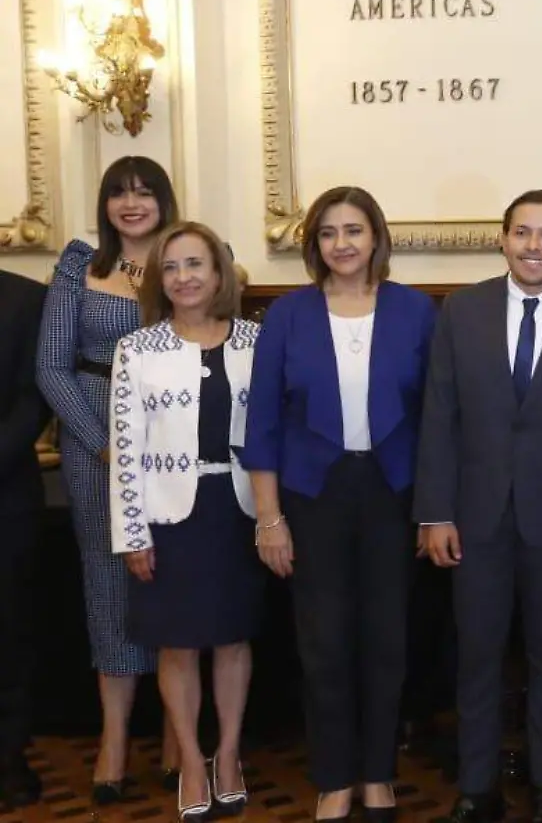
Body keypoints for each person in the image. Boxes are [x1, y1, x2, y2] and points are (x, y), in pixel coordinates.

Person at [245, 186, 438, 823]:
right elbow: (264, 426)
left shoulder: (415, 311)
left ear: (377, 238)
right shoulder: (288, 315)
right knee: (323, 643)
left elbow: (437, 421)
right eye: (329, 233)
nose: (343, 244)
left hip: (392, 493)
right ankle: (332, 778)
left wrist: (434, 506)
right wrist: (269, 518)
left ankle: (378, 775)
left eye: (354, 230)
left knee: (386, 640)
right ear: (314, 245)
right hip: (312, 496)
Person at [414, 191, 542, 823]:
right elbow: (439, 416)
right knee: (477, 654)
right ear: (503, 238)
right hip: (475, 519)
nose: (533, 246)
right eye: (522, 232)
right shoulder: (461, 312)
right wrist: (435, 512)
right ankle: (478, 786)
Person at [107, 222, 266, 822]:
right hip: (168, 513)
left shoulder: (257, 340)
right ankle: (193, 761)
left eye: (196, 264)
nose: (184, 277)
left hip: (240, 508)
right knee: (177, 644)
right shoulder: (137, 349)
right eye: (171, 268)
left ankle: (229, 755)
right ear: (159, 280)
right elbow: (125, 449)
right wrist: (132, 532)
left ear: (220, 272)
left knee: (231, 637)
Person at [35, 155, 182, 801]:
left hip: (176, 442)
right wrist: (101, 446)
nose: (132, 204)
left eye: (145, 193)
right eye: (120, 193)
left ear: (164, 201)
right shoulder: (80, 263)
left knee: (179, 577)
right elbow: (50, 367)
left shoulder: (193, 254)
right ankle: (114, 741)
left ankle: (181, 732)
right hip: (95, 437)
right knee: (108, 582)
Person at [0, 268, 49, 809]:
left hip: (6, 495)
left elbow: (33, 401)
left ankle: (10, 757)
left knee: (10, 630)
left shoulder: (26, 298)